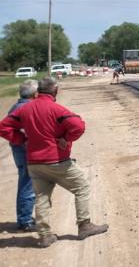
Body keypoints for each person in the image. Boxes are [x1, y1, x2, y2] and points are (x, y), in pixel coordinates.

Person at [0, 77, 108, 248]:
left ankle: (45, 236)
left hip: (34, 163)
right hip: (56, 161)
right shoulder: (56, 109)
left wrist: (21, 139)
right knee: (82, 187)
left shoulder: (24, 109)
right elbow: (78, 126)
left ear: (38, 92)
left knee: (41, 198)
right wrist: (66, 138)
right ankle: (85, 225)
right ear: (55, 90)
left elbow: (3, 127)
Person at [7, 80, 37, 232]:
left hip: (18, 148)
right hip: (24, 149)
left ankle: (25, 217)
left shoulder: (16, 106)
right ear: (34, 94)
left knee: (26, 180)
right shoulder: (26, 107)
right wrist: (24, 140)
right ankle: (25, 221)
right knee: (28, 182)